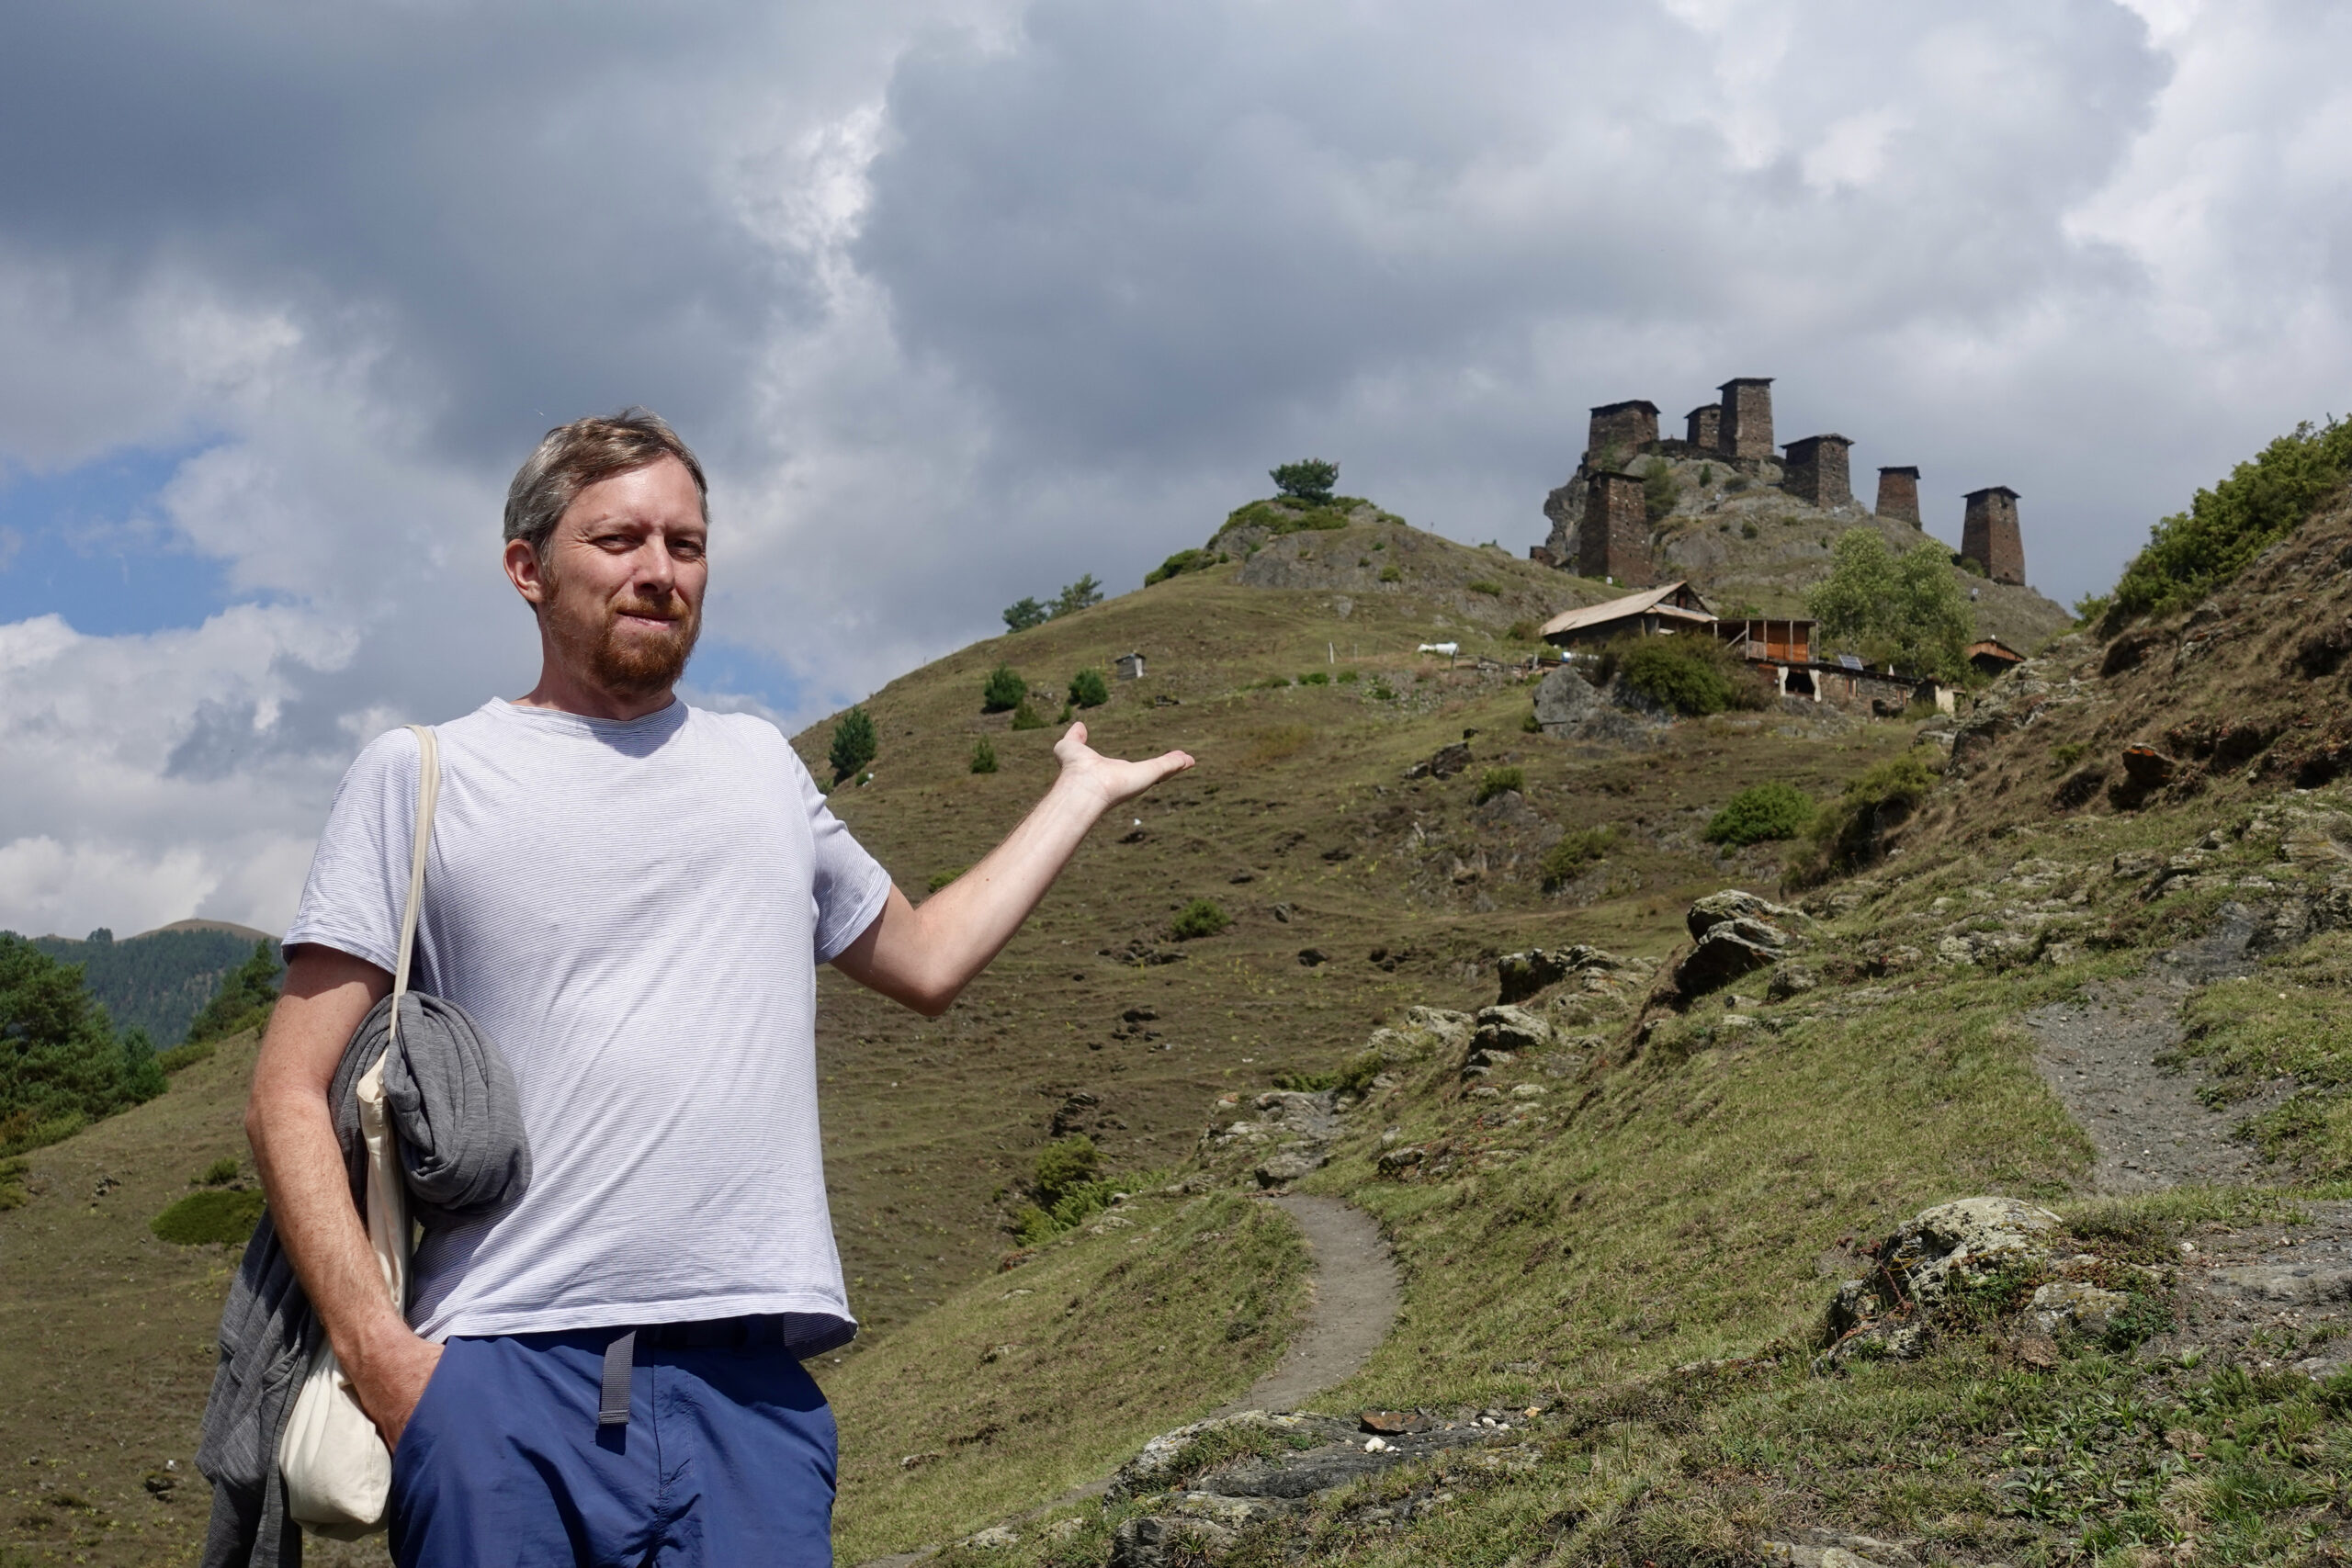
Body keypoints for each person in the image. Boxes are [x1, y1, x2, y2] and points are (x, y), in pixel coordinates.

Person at [245, 410, 1193, 1565]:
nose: (658, 573)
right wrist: (390, 1366)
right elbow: (288, 1092)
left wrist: (1075, 798)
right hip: (499, 1375)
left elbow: (927, 960)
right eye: (619, 541)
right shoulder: (425, 774)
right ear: (526, 569)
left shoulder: (758, 767)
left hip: (752, 1395)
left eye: (685, 546)